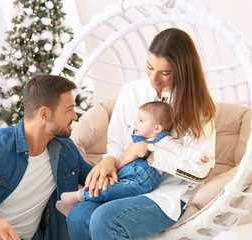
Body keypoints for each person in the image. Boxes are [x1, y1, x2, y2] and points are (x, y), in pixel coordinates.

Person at [66, 28, 217, 240]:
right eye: (149, 67)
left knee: (104, 219)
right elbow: (117, 139)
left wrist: (148, 151)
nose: (154, 79)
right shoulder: (131, 91)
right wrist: (109, 159)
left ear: (183, 71)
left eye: (165, 73)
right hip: (128, 182)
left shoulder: (200, 110)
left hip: (167, 196)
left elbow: (200, 169)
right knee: (77, 216)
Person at [0, 74, 93, 240]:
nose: (74, 117)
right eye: (69, 110)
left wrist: (109, 161)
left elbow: (97, 180)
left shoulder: (65, 149)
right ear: (44, 114)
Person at [56, 101, 214, 214]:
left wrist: (201, 156)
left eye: (141, 120)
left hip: (141, 181)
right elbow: (119, 151)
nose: (135, 123)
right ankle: (74, 204)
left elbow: (183, 151)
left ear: (157, 128)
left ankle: (79, 197)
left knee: (110, 190)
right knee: (103, 179)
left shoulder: (164, 141)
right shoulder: (135, 138)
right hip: (126, 173)